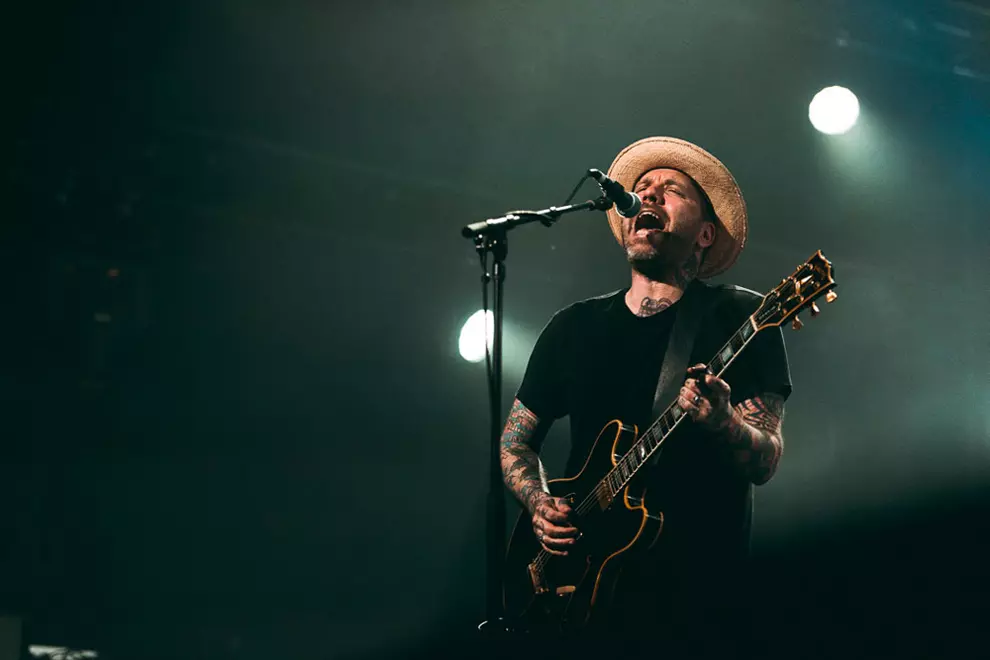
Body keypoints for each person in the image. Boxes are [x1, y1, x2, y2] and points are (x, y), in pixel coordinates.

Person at [499, 137, 792, 657]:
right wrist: (540, 503)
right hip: (581, 596)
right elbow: (515, 441)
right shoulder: (574, 327)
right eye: (642, 188)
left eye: (671, 189)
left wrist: (723, 421)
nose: (650, 195)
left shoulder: (742, 317)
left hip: (696, 602)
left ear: (705, 233)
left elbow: (765, 460)